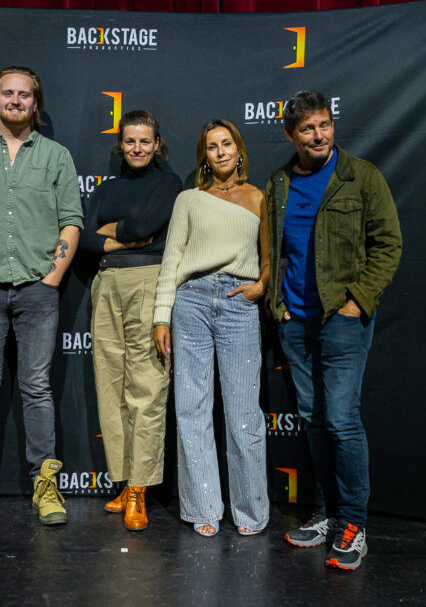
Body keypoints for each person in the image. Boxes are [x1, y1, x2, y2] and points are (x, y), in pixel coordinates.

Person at [267, 90, 401, 570]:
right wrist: (276, 304)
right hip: (295, 322)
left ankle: (354, 524)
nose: (318, 134)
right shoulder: (279, 183)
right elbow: (272, 249)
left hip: (342, 319)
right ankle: (326, 514)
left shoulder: (361, 177)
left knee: (342, 419)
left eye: (324, 124)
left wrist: (355, 303)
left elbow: (389, 245)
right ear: (291, 134)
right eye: (307, 128)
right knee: (314, 418)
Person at [0, 66, 83, 526]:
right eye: (8, 93)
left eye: (24, 95)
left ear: (35, 103)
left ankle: (46, 488)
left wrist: (53, 276)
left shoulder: (57, 156)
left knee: (37, 388)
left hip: (37, 291)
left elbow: (72, 219)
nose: (16, 101)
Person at [152, 118, 270, 538]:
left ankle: (250, 511)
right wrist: (161, 315)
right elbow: (172, 258)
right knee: (192, 409)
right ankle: (203, 505)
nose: (220, 152)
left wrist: (260, 286)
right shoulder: (189, 199)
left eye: (226, 143)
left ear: (239, 149)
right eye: (211, 146)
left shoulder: (260, 198)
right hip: (192, 301)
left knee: (243, 415)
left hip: (239, 303)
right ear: (204, 155)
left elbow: (272, 256)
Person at [81, 110, 182, 532]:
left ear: (157, 144)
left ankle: (141, 487)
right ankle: (123, 482)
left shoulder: (170, 183)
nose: (138, 148)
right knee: (111, 387)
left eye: (145, 141)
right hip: (106, 286)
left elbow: (146, 226)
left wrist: (111, 234)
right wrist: (116, 236)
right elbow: (84, 236)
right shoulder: (107, 187)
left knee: (147, 386)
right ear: (120, 145)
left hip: (148, 281)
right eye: (130, 141)